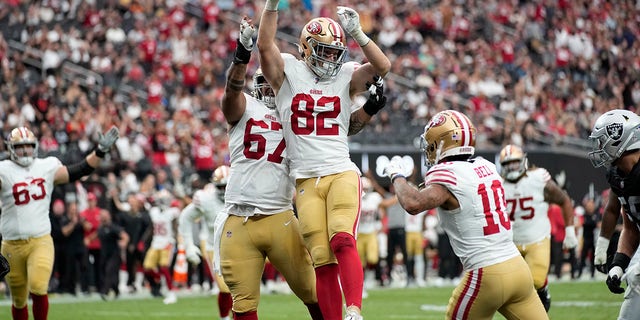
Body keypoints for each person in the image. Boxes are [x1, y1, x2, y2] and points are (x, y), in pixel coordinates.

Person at [257, 3, 390, 319]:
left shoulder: (345, 75)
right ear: (306, 47)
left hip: (340, 171)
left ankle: (354, 311)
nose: (331, 58)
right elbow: (264, 45)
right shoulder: (289, 70)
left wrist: (358, 32)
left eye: (335, 52)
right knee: (321, 259)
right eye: (324, 51)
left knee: (342, 239)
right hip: (305, 180)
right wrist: (271, 5)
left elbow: (382, 67)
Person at [383, 110, 548, 320]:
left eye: (431, 143)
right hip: (518, 268)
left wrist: (396, 175)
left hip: (485, 273)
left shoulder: (448, 174)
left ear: (442, 143)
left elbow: (412, 203)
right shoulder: (485, 166)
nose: (429, 149)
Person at [217, 17, 323, 320]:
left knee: (313, 293)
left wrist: (367, 109)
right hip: (239, 217)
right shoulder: (244, 106)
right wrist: (242, 54)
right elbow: (231, 90)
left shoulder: (297, 115)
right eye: (260, 83)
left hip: (279, 215)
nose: (267, 90)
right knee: (243, 303)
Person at [0, 125, 119, 320]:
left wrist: (100, 151)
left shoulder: (45, 166)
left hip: (40, 240)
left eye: (28, 146)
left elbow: (80, 170)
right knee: (19, 298)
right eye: (20, 147)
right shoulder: (4, 170)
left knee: (39, 286)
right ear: (11, 149)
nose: (25, 151)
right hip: (11, 244)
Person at [497, 144, 578, 311]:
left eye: (514, 163)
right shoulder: (497, 184)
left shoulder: (538, 178)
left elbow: (563, 200)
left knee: (536, 280)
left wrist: (570, 231)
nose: (511, 167)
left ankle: (543, 293)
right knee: (508, 287)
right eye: (507, 164)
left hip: (537, 238)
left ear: (523, 161)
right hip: (510, 243)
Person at [587, 109, 640, 319]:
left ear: (621, 139)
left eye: (603, 141)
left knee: (636, 277)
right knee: (634, 281)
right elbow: (631, 227)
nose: (599, 147)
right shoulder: (621, 176)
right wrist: (619, 263)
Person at [177, 165, 233, 320]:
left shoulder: (242, 194)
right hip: (213, 246)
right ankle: (225, 318)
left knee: (241, 288)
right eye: (220, 187)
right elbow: (185, 217)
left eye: (227, 186)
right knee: (225, 288)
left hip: (237, 245)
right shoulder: (206, 198)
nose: (224, 191)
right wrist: (188, 246)